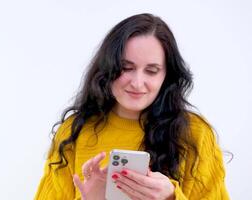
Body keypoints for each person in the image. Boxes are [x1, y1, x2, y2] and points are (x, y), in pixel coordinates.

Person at [34, 13, 229, 200]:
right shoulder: (73, 132)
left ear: (166, 76)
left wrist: (171, 197)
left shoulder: (195, 134)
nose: (137, 83)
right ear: (108, 68)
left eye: (152, 71)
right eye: (126, 68)